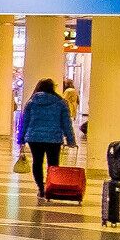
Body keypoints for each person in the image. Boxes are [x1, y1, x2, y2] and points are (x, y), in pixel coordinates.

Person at [19, 70, 77, 199]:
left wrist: (21, 139)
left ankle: (40, 188)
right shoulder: (61, 103)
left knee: (37, 162)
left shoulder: (31, 102)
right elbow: (66, 123)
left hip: (34, 138)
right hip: (54, 138)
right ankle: (51, 187)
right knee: (53, 164)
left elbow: (24, 122)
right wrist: (71, 140)